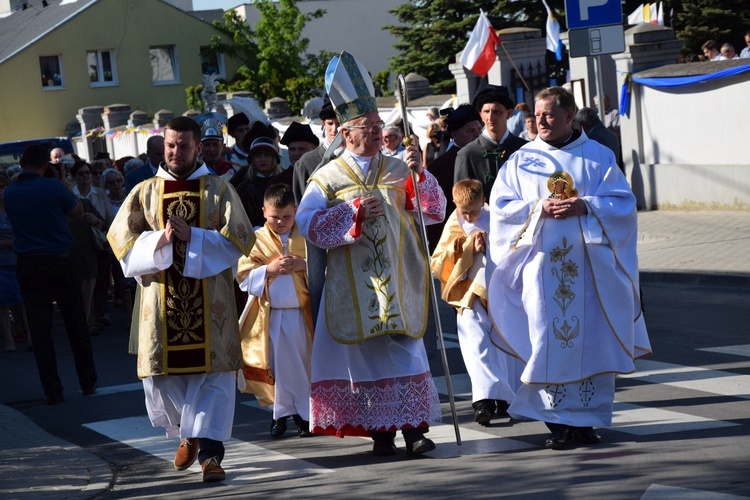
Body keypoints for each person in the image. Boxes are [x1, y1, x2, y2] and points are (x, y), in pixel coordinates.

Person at [296, 51, 445, 457]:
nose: (379, 131)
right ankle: (381, 432)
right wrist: (352, 213)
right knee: (364, 360)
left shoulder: (400, 169)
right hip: (352, 284)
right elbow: (307, 225)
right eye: (370, 126)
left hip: (400, 277)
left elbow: (433, 211)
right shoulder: (326, 178)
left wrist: (422, 175)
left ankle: (415, 429)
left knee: (406, 351)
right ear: (347, 133)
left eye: (380, 125)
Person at [486, 86, 651, 450]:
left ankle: (587, 422)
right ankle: (557, 423)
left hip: (591, 272)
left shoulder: (597, 156)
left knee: (592, 341)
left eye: (548, 115)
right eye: (538, 116)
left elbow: (623, 204)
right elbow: (500, 209)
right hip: (542, 272)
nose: (540, 121)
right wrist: (536, 208)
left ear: (568, 116)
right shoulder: (521, 160)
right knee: (546, 339)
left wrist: (587, 206)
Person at [107, 116, 255, 482]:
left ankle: (211, 457)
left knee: (215, 378)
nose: (176, 152)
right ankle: (186, 430)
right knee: (161, 377)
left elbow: (241, 239)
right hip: (160, 302)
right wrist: (160, 241)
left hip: (212, 302)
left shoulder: (218, 190)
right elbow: (120, 241)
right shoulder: (144, 191)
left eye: (184, 146)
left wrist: (196, 238)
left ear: (198, 147)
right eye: (170, 145)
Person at [5, 144, 98, 404]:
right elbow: (78, 212)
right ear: (46, 165)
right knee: (76, 323)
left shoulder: (10, 193)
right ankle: (87, 380)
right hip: (59, 260)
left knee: (40, 330)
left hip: (28, 263)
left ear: (22, 163)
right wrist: (60, 183)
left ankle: (52, 389)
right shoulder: (54, 187)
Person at [431, 179, 517, 425]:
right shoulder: (455, 222)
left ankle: (506, 397)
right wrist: (468, 246)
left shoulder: (497, 217)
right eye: (463, 211)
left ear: (484, 201)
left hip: (500, 291)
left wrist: (489, 245)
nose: (468, 218)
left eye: (474, 212)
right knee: (475, 344)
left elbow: (516, 247)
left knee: (503, 344)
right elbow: (439, 260)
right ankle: (483, 401)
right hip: (468, 293)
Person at [237, 183, 313, 439]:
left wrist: (303, 264)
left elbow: (326, 269)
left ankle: (305, 415)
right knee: (276, 369)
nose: (280, 222)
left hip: (301, 315)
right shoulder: (256, 240)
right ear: (263, 213)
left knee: (302, 367)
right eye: (274, 217)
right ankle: (278, 416)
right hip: (270, 315)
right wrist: (268, 270)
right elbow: (243, 276)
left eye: (287, 217)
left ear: (296, 211)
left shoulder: (306, 236)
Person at [291, 93, 340, 328]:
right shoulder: (307, 163)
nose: (335, 128)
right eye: (330, 123)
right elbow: (301, 212)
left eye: (339, 122)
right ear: (324, 125)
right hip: (318, 248)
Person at [425, 104, 482, 253]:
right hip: (454, 240)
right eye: (470, 131)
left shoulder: (486, 156)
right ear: (455, 134)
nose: (476, 135)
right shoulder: (439, 166)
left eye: (478, 130)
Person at [454, 83, 527, 200]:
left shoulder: (525, 149)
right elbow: (462, 200)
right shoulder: (467, 154)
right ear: (481, 115)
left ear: (508, 113)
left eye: (496, 111)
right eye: (486, 112)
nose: (490, 117)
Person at [235, 137, 284, 229]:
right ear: (252, 159)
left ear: (274, 158)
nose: (262, 159)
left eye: (267, 155)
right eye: (258, 155)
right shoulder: (243, 188)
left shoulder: (285, 183)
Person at [271, 122, 320, 188]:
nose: (296, 153)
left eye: (301, 149)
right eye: (292, 149)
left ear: (314, 149)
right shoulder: (278, 183)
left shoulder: (324, 177)